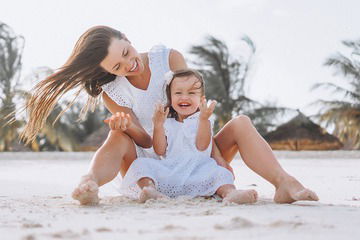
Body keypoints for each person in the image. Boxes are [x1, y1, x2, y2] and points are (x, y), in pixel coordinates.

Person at [21, 25, 318, 205]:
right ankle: (89, 183)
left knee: (241, 122)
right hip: (152, 165)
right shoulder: (112, 90)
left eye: (126, 52)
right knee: (117, 132)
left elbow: (193, 109)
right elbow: (146, 141)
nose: (129, 65)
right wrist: (128, 127)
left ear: (126, 37)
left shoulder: (169, 58)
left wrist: (215, 157)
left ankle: (284, 183)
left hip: (193, 153)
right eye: (117, 67)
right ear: (108, 73)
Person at [121, 69, 258, 204]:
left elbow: (202, 145)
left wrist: (204, 120)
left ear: (201, 99)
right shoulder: (167, 123)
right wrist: (158, 126)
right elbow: (159, 150)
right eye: (178, 93)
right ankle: (150, 190)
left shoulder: (203, 120)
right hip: (171, 171)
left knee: (220, 174)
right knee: (141, 164)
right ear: (171, 98)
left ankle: (230, 193)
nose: (184, 97)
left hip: (199, 171)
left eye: (191, 93)